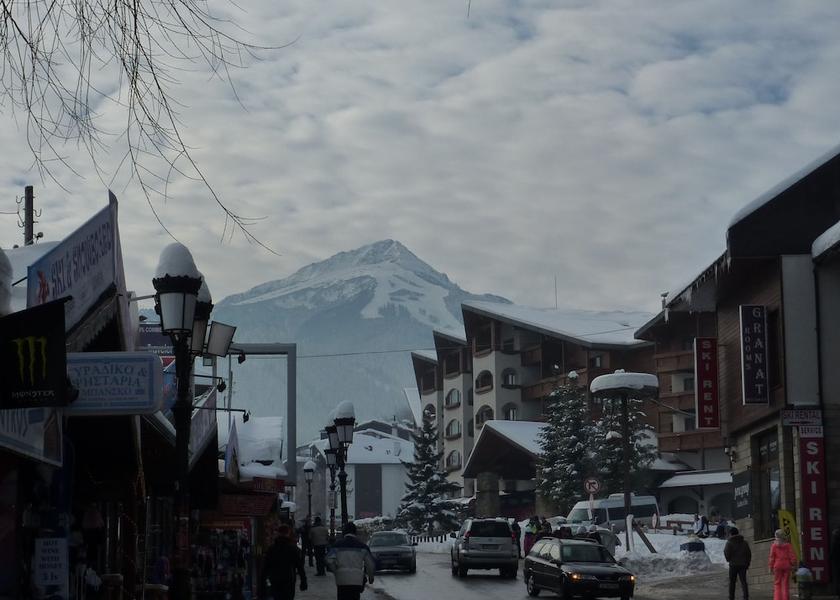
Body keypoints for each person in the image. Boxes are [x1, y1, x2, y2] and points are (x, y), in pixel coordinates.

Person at [325, 522, 375, 600]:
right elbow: (370, 564)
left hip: (342, 579)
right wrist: (371, 577)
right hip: (357, 580)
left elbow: (328, 559)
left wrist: (336, 570)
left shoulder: (337, 545)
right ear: (355, 532)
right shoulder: (363, 547)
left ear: (344, 532)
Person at [261, 525, 308, 600]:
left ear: (278, 533)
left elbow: (266, 567)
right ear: (288, 533)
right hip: (288, 578)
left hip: (275, 578)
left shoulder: (272, 549)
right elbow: (299, 566)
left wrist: (262, 583)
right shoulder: (292, 549)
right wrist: (303, 581)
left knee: (277, 597)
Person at [768, 528, 796, 600]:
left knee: (777, 584)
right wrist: (793, 563)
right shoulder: (788, 545)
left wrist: (770, 567)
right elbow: (792, 555)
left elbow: (772, 557)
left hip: (777, 566)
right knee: (785, 584)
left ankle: (777, 598)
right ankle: (785, 598)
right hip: (786, 566)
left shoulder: (774, 545)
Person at [724, 526, 751, 600]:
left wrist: (729, 560)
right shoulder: (744, 542)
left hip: (733, 565)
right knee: (743, 582)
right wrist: (747, 563)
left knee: (732, 582)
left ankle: (731, 597)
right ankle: (746, 597)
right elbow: (748, 554)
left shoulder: (729, 543)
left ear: (731, 534)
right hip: (743, 565)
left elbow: (726, 553)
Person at [830, 528, 840, 599]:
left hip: (836, 563)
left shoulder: (834, 542)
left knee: (837, 578)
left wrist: (829, 558)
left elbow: (832, 553)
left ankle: (838, 593)